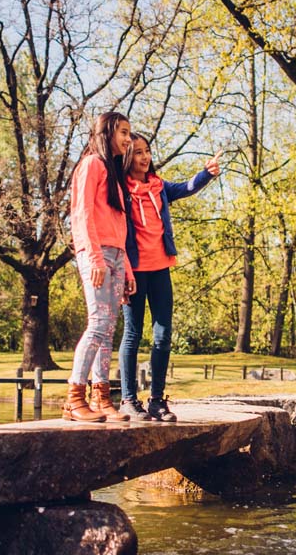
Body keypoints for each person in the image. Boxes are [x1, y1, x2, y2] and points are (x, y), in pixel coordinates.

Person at [118, 134, 220, 421]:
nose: (144, 157)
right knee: (133, 334)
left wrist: (206, 174)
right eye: (138, 152)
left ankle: (157, 401)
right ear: (127, 157)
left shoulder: (159, 186)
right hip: (135, 271)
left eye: (147, 151)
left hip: (160, 268)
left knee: (163, 336)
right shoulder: (121, 189)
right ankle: (128, 400)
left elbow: (187, 187)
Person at [66, 111, 140, 423]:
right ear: (108, 131)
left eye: (129, 133)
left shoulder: (115, 175)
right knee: (98, 323)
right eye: (123, 132)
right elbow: (81, 213)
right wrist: (94, 256)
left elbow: (119, 226)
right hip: (94, 253)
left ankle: (101, 397)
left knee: (109, 329)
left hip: (115, 256)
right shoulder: (91, 164)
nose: (128, 139)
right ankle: (74, 398)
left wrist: (127, 269)